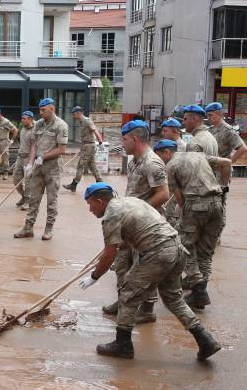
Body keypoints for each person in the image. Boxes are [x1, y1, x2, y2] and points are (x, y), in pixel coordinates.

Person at [78, 183, 222, 361]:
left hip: (158, 253)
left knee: (127, 295)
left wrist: (94, 277)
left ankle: (122, 344)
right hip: (176, 249)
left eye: (90, 204)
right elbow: (139, 232)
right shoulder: (131, 201)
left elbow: (109, 256)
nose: (90, 209)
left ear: (100, 201)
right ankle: (205, 340)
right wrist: (116, 246)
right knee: (173, 299)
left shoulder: (111, 215)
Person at [103, 120, 170, 322]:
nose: (122, 144)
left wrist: (140, 210)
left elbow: (164, 194)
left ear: (134, 138)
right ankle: (123, 300)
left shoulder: (152, 162)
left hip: (146, 226)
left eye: (124, 140)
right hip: (130, 223)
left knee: (143, 268)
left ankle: (148, 310)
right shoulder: (133, 161)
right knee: (122, 263)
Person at [153, 139, 233, 311]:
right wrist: (224, 187)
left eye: (160, 156)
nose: (161, 161)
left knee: (182, 245)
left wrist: (185, 213)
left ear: (166, 152)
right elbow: (227, 163)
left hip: (196, 205)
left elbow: (178, 197)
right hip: (217, 204)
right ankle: (200, 294)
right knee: (205, 252)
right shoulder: (199, 155)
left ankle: (197, 285)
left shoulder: (171, 166)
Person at [15, 97, 68, 241]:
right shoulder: (38, 124)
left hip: (52, 167)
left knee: (51, 200)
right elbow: (34, 145)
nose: (41, 113)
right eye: (40, 110)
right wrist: (30, 164)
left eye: (43, 110)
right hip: (38, 166)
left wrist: (43, 157)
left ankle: (48, 229)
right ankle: (28, 228)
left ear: (52, 109)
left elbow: (62, 149)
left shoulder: (61, 125)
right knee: (34, 198)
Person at [63, 106, 104, 192]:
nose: (73, 116)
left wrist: (100, 142)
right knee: (92, 166)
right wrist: (82, 148)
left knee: (80, 165)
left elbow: (95, 130)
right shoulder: (81, 122)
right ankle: (101, 183)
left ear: (79, 113)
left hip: (90, 146)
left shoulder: (87, 121)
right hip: (87, 146)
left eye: (74, 114)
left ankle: (74, 184)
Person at [12, 111, 36, 208]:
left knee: (28, 181)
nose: (22, 121)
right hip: (20, 157)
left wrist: (31, 163)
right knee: (15, 179)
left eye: (24, 119)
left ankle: (27, 200)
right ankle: (23, 196)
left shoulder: (34, 131)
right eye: (22, 118)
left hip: (28, 158)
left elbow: (34, 148)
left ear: (30, 119)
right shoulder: (22, 129)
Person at [0, 108, 18, 180]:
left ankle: (5, 173)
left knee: (5, 158)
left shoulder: (6, 122)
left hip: (4, 142)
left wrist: (12, 139)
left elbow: (15, 129)